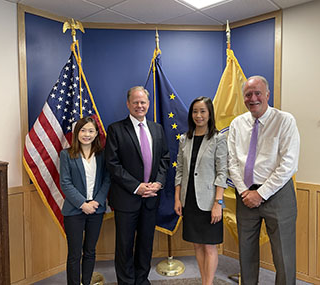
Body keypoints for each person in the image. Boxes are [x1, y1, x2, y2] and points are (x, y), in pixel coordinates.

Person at [227, 75, 300, 284]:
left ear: (267, 95)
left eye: (257, 93)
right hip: (245, 196)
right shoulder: (236, 124)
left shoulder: (285, 121)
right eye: (248, 94)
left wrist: (261, 193)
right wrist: (245, 192)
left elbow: (289, 164)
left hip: (278, 195)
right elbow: (232, 162)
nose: (253, 98)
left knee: (283, 255)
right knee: (246, 253)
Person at [105, 86, 170, 285]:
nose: (139, 106)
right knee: (124, 245)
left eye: (143, 102)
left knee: (145, 244)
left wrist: (158, 183)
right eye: (135, 102)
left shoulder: (157, 128)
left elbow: (164, 159)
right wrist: (136, 186)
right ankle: (126, 282)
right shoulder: (116, 129)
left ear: (148, 104)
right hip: (127, 198)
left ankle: (142, 280)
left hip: (151, 198)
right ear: (128, 104)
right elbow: (112, 164)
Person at [174, 96, 227, 285]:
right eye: (195, 111)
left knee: (210, 247)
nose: (198, 115)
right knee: (197, 245)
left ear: (210, 113)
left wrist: (218, 203)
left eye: (202, 111)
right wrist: (177, 199)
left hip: (210, 201)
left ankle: (208, 283)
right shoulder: (184, 139)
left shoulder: (218, 138)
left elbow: (222, 172)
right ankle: (204, 280)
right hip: (189, 200)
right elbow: (180, 170)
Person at [59, 116, 110, 285]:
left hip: (96, 209)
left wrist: (96, 202)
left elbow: (107, 180)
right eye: (83, 130)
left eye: (90, 131)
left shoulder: (102, 155)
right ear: (77, 133)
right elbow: (65, 183)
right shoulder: (66, 154)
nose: (86, 134)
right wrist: (83, 204)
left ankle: (86, 282)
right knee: (74, 254)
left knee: (90, 251)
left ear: (96, 134)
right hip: (74, 210)